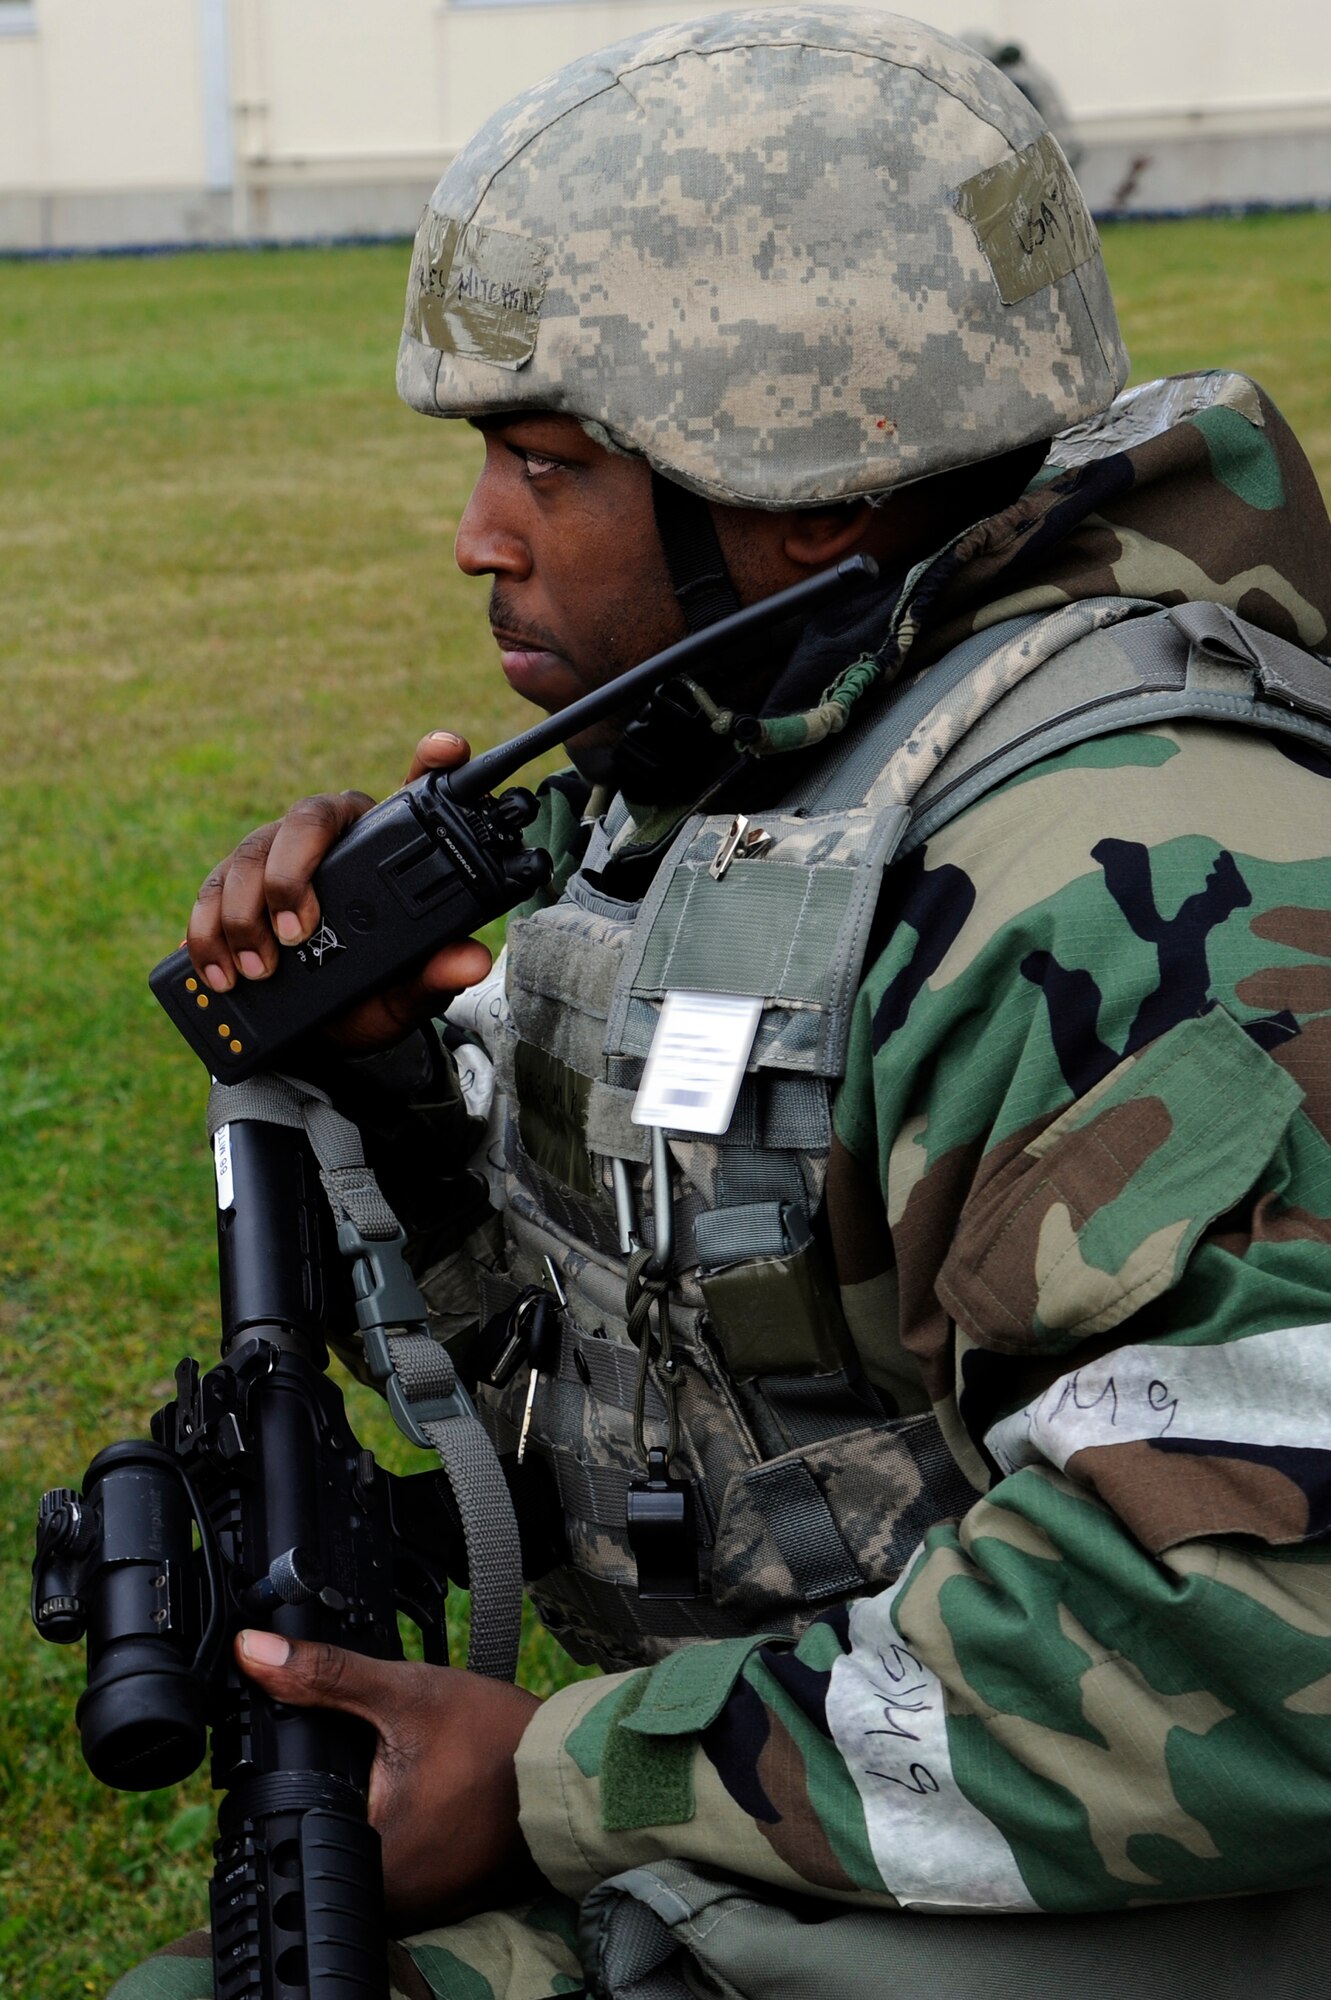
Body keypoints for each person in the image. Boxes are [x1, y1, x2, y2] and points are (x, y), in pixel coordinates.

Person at [113, 10, 1331, 1998]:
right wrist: (403, 1096)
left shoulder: (1137, 896)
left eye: (548, 463)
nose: (479, 538)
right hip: (911, 1783)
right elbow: (692, 1348)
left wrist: (559, 1783)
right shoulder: (778, 747)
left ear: (820, 499)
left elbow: (1259, 1641)